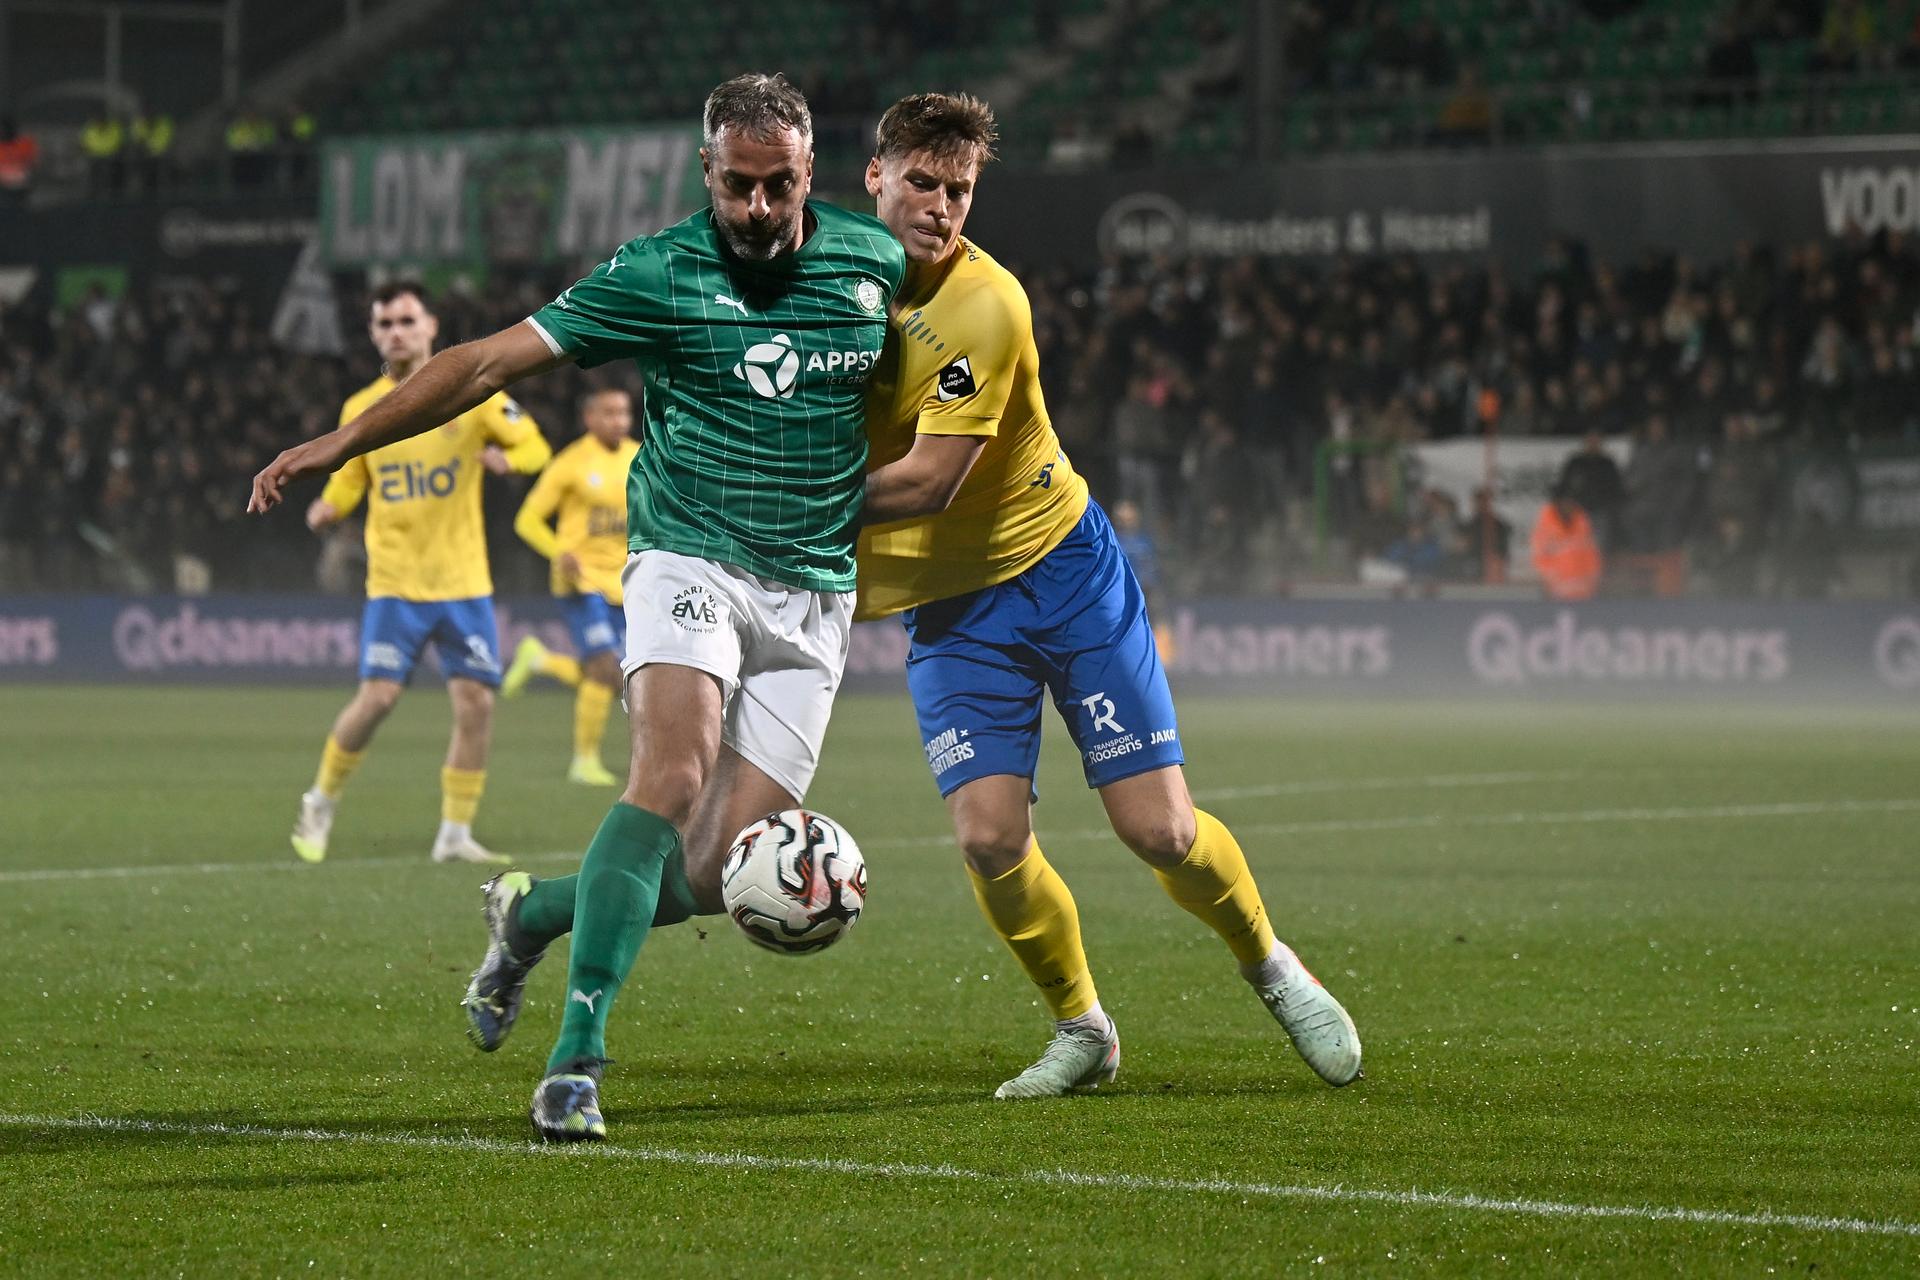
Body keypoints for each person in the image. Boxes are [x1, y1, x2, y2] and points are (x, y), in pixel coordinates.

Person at [249, 73, 904, 1142]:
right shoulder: (658, 272)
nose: (756, 207)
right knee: (671, 774)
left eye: (778, 186)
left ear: (810, 174)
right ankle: (575, 1062)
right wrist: (345, 439)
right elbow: (482, 363)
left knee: (714, 873)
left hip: (814, 594)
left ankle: (535, 910)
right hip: (688, 555)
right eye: (737, 185)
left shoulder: (875, 263)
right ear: (706, 171)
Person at [853, 93, 1359, 1097]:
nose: (941, 207)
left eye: (960, 190)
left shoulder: (984, 304)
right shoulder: (829, 283)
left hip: (1063, 572)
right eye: (922, 182)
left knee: (1159, 830)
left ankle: (1271, 964)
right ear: (875, 176)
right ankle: (1082, 1026)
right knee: (989, 840)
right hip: (953, 608)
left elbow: (930, 481)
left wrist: (778, 493)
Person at [291, 281, 552, 867]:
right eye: (385, 323)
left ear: (432, 326)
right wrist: (329, 506)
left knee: (477, 705)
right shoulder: (362, 409)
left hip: (464, 582)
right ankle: (321, 800)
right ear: (372, 334)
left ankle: (454, 834)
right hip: (396, 583)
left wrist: (509, 459)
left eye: (407, 321)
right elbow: (351, 476)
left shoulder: (473, 396)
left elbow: (536, 447)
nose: (396, 332)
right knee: (378, 698)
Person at [500, 387, 641, 786]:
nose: (619, 421)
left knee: (619, 675)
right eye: (609, 413)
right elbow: (527, 520)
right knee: (605, 669)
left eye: (624, 413)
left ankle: (542, 660)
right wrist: (558, 552)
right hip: (580, 582)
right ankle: (584, 761)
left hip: (624, 581)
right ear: (589, 418)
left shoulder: (638, 457)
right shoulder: (570, 464)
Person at [1529, 482, 1602, 600]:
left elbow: (1592, 556)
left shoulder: (1583, 525)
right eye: (1565, 501)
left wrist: (1592, 580)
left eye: (1572, 501)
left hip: (1584, 593)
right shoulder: (1545, 527)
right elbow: (1539, 559)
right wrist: (1552, 580)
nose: (1569, 506)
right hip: (1555, 593)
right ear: (1557, 503)